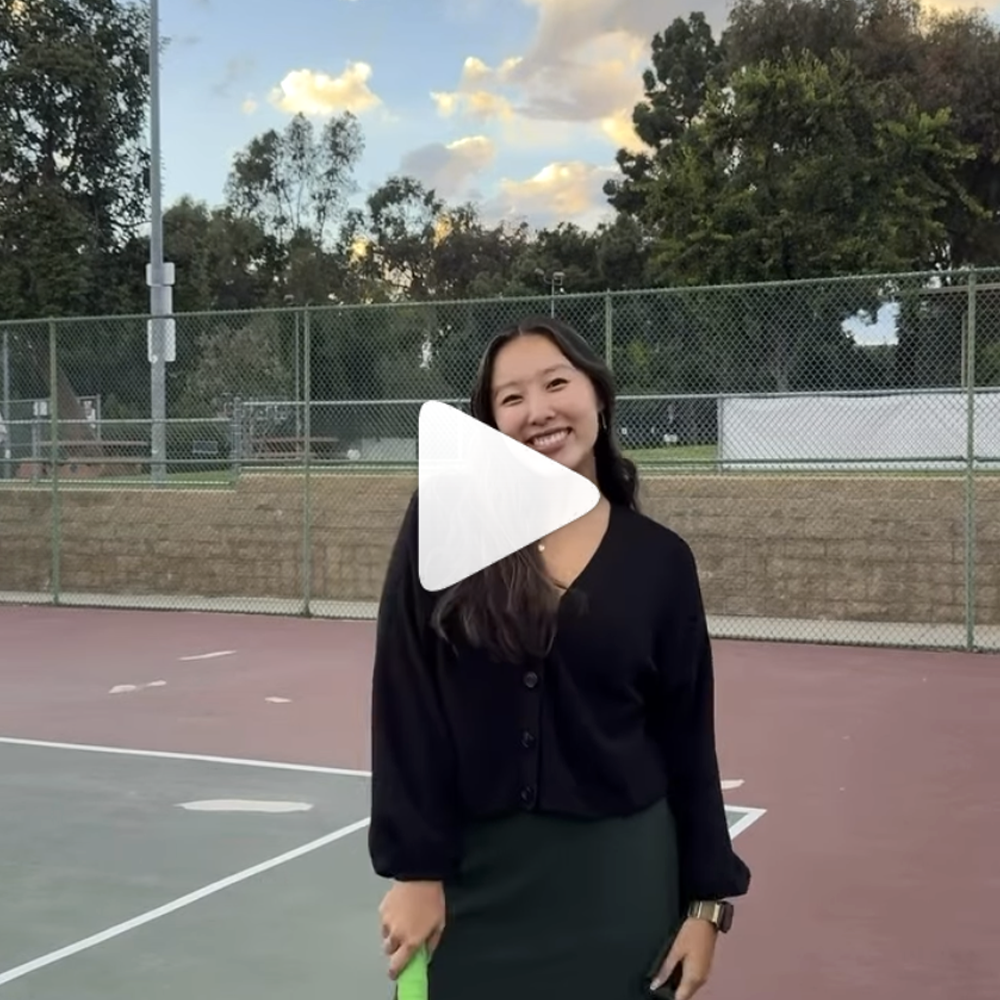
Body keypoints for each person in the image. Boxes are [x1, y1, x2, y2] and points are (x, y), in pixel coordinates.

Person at [368, 316, 751, 1000]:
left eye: (555, 384)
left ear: (598, 398)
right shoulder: (444, 525)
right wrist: (414, 871)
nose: (537, 410)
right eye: (510, 399)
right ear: (491, 427)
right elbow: (406, 704)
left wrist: (706, 907)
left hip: (622, 886)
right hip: (468, 887)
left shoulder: (661, 561)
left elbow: (688, 739)